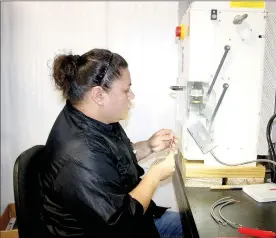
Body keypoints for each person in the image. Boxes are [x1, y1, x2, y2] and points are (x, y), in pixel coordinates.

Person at [38, 48, 183, 238]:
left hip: (132, 218)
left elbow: (113, 158)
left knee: (189, 225)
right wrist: (155, 175)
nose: (131, 96)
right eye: (126, 90)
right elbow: (121, 222)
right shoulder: (79, 156)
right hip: (117, 227)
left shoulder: (96, 119)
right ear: (99, 95)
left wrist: (148, 146)